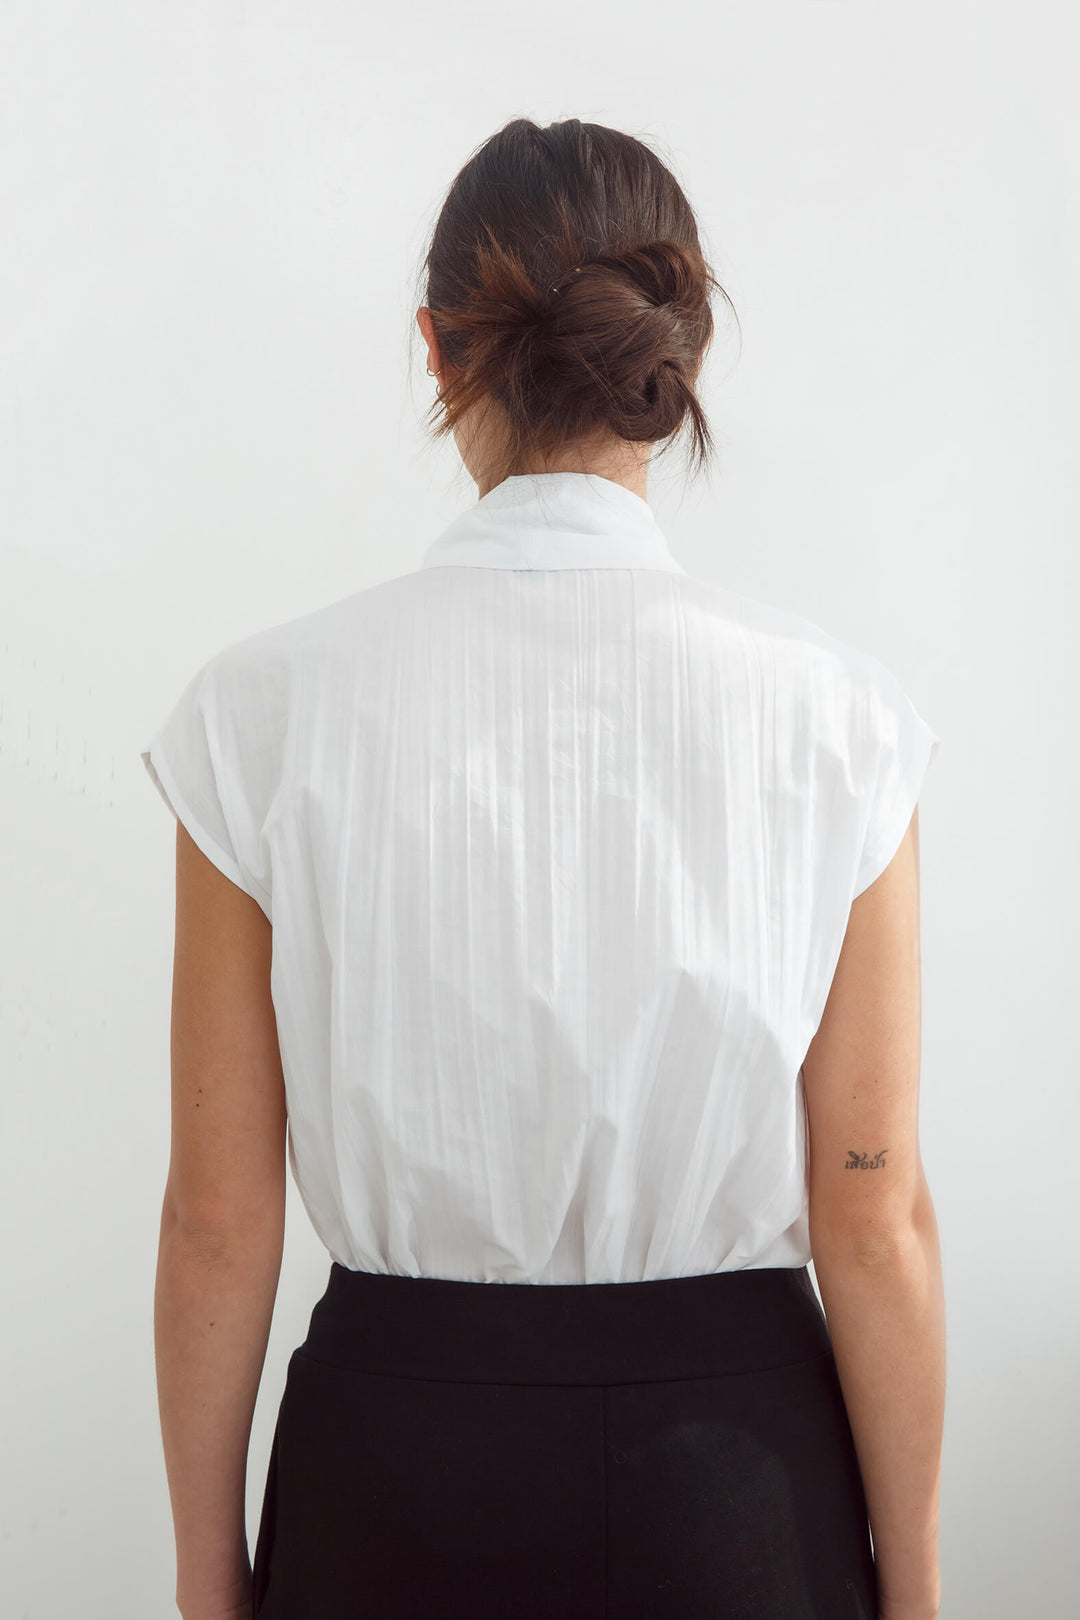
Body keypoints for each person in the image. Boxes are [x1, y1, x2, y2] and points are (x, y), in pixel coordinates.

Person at [142, 117, 946, 1620]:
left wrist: (206, 1577)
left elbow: (215, 1216)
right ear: (676, 359)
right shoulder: (844, 724)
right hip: (740, 1494)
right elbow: (876, 1208)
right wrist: (915, 1587)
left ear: (438, 350)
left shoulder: (258, 715)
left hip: (387, 1480)